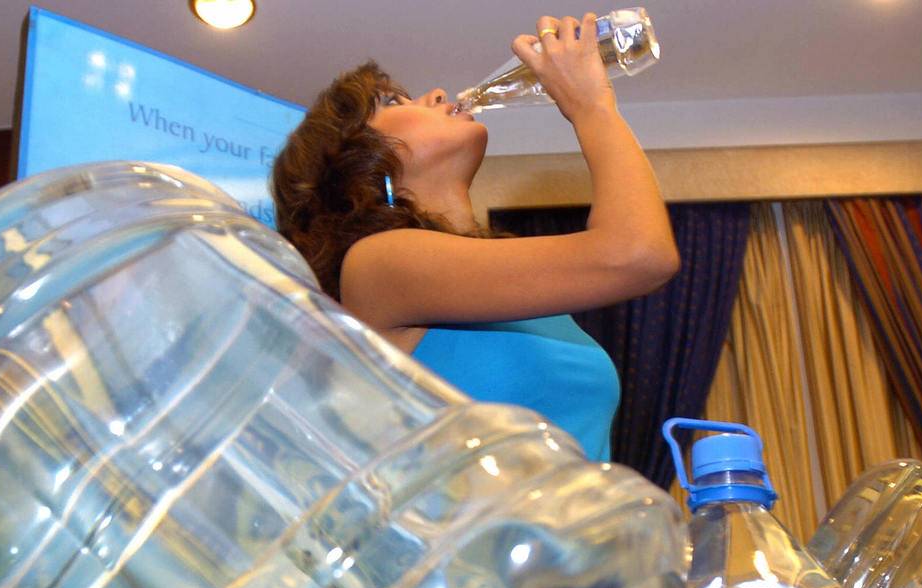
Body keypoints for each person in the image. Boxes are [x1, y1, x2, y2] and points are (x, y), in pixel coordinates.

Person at [271, 13, 679, 462]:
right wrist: (591, 106)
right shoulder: (375, 264)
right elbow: (638, 254)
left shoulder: (511, 285)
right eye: (390, 101)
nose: (437, 94)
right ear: (358, 167)